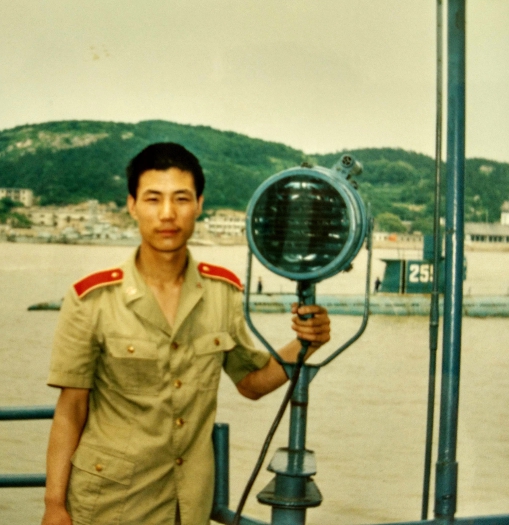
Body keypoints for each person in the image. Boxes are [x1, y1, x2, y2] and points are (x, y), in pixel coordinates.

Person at [41, 143, 331, 525]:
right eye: (153, 199)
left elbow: (252, 383)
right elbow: (71, 409)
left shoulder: (222, 293)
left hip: (189, 506)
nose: (167, 213)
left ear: (199, 205)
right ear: (132, 206)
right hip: (109, 504)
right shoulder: (92, 299)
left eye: (181, 198)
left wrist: (306, 343)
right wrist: (54, 505)